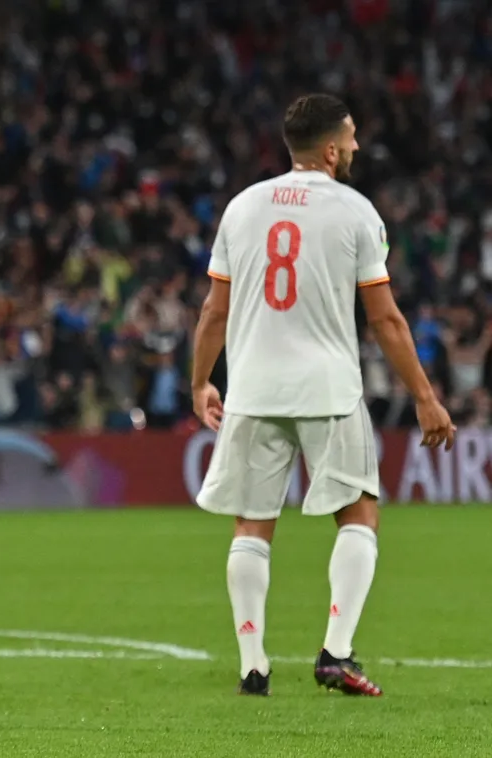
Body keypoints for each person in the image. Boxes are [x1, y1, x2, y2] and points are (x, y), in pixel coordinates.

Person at [190, 93, 456, 698]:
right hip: (328, 389)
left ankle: (252, 667)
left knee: (251, 527)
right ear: (332, 148)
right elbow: (386, 321)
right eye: (353, 137)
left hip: (254, 388)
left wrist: (201, 381)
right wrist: (424, 396)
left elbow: (214, 310)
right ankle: (335, 652)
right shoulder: (357, 212)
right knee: (359, 514)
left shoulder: (242, 207)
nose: (358, 145)